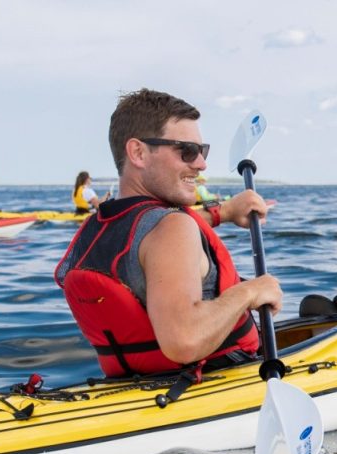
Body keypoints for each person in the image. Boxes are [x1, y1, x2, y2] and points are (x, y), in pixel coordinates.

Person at [55, 89, 279, 382]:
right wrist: (250, 291)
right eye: (187, 150)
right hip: (204, 382)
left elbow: (151, 237)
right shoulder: (173, 228)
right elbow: (183, 340)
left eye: (203, 150)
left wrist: (222, 212)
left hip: (135, 386)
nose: (201, 163)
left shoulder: (101, 224)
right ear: (138, 153)